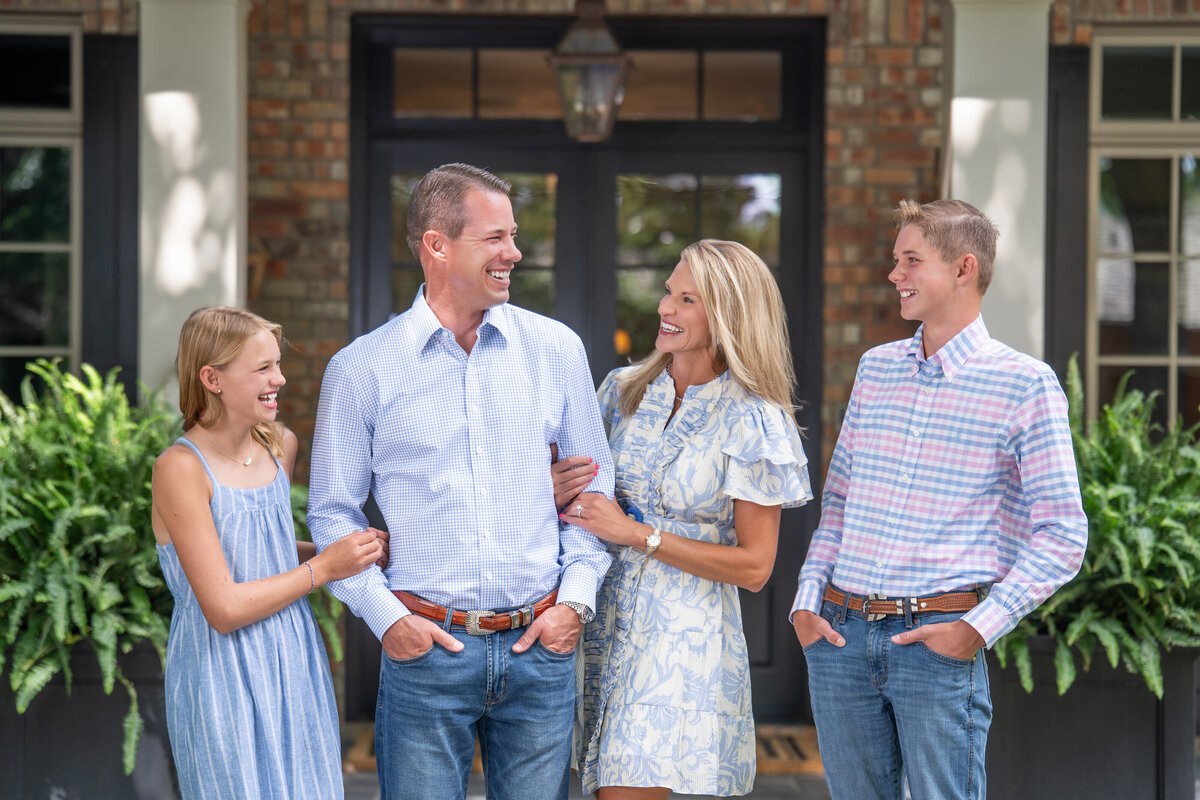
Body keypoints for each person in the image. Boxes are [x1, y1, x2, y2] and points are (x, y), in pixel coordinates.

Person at [306, 163, 615, 800]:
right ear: (437, 246)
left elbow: (594, 491)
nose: (514, 253)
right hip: (426, 652)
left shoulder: (556, 349)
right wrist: (387, 619)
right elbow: (333, 513)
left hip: (540, 648)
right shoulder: (361, 369)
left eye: (514, 235)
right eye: (494, 238)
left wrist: (574, 604)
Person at [791, 199, 1089, 800]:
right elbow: (841, 503)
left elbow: (1062, 534)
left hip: (937, 641)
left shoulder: (1025, 384)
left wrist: (976, 629)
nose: (894, 275)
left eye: (911, 260)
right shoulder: (876, 369)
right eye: (895, 260)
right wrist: (806, 603)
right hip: (839, 637)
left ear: (963, 269)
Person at [556, 239, 813, 799]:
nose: (665, 309)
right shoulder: (621, 392)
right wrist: (553, 492)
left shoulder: (754, 420)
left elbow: (755, 567)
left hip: (677, 640)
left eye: (687, 299)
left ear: (727, 315)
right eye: (669, 293)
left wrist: (637, 534)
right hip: (593, 621)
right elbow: (576, 499)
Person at [151, 306, 388, 799]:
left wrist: (348, 551)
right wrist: (324, 566)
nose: (279, 379)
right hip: (221, 670)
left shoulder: (281, 446)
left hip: (293, 657)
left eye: (277, 365)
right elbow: (224, 607)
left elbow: (263, 548)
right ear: (211, 378)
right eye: (263, 368)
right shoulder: (180, 469)